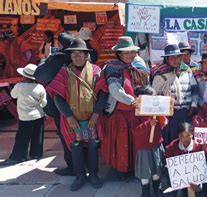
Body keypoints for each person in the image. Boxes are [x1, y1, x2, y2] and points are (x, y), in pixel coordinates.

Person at [46, 38, 105, 191]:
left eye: (80, 53)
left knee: (93, 147)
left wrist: (96, 115)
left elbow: (103, 93)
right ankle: (80, 176)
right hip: (72, 120)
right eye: (73, 54)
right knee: (76, 148)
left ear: (87, 55)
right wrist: (69, 117)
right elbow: (57, 96)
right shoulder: (64, 72)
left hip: (93, 119)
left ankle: (93, 174)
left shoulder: (97, 71)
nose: (77, 56)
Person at [95, 36, 149, 175]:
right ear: (118, 54)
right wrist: (132, 101)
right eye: (126, 52)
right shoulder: (112, 68)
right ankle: (121, 170)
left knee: (133, 141)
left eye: (132, 52)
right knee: (121, 143)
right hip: (119, 114)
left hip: (133, 113)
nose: (130, 55)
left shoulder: (132, 67)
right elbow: (115, 90)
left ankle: (132, 168)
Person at [34, 32, 76, 176]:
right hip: (81, 102)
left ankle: (73, 166)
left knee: (66, 134)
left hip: (61, 103)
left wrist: (44, 59)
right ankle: (85, 164)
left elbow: (40, 75)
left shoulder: (59, 58)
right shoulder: (83, 55)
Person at [152, 44, 199, 145]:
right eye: (172, 57)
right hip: (168, 114)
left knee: (185, 139)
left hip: (185, 113)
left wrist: (193, 105)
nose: (175, 59)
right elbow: (154, 95)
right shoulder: (161, 74)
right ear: (167, 59)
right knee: (170, 140)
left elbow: (195, 89)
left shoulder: (187, 71)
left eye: (177, 57)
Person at [0, 64, 47, 166]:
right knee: (37, 135)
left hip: (25, 117)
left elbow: (13, 95)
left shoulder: (19, 86)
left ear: (24, 76)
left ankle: (19, 156)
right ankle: (36, 154)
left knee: (22, 137)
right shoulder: (40, 87)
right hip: (39, 114)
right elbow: (44, 103)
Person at [132, 86, 168, 197]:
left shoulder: (157, 109)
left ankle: (157, 188)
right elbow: (135, 131)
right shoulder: (136, 111)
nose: (155, 99)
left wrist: (162, 118)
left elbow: (163, 122)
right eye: (153, 97)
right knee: (145, 171)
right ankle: (145, 191)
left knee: (157, 169)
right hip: (143, 146)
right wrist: (148, 124)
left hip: (156, 144)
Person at [164, 122, 207, 196]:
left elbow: (205, 162)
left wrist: (205, 150)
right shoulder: (173, 145)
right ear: (179, 136)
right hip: (179, 179)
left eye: (188, 135)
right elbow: (167, 159)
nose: (185, 139)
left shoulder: (198, 146)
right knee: (178, 193)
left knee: (199, 189)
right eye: (182, 136)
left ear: (192, 134)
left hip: (195, 178)